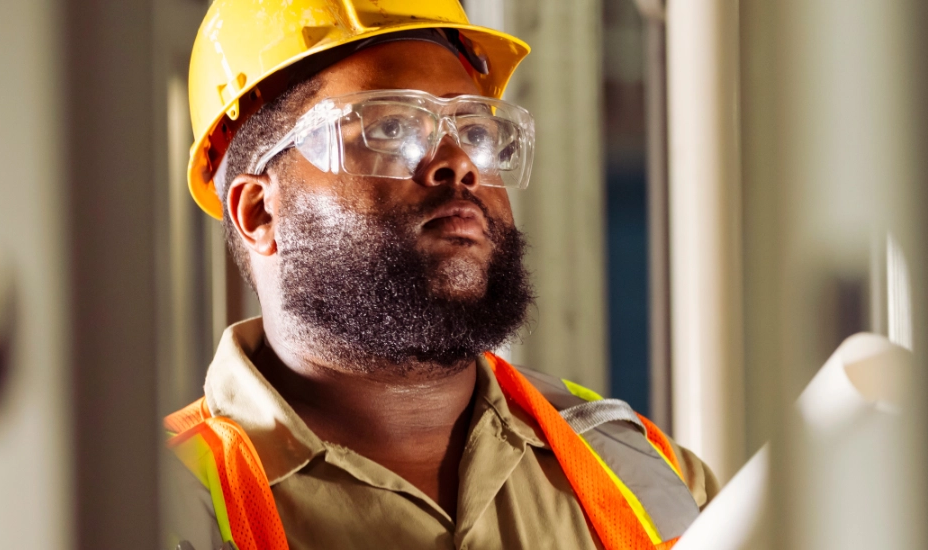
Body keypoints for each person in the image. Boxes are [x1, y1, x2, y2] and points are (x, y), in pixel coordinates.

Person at [164, 2, 717, 549]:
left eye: (476, 131)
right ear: (259, 212)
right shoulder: (161, 511)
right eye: (390, 127)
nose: (460, 161)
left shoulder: (643, 472)